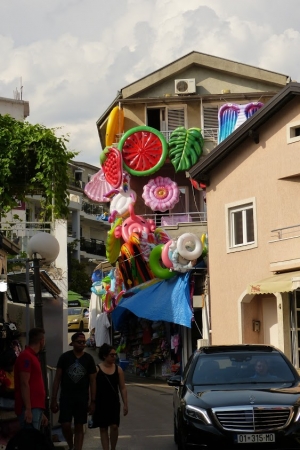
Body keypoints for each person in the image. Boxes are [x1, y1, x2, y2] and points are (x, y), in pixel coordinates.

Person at [50, 332, 97, 450]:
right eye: (79, 342)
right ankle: (71, 445)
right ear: (72, 343)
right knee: (65, 425)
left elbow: (93, 381)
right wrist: (54, 398)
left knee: (79, 426)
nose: (82, 344)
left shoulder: (88, 359)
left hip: (82, 398)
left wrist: (93, 401)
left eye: (83, 342)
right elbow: (57, 379)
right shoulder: (65, 357)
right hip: (66, 397)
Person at [92, 343, 128, 450]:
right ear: (104, 356)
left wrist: (125, 404)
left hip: (113, 402)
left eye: (115, 355)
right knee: (103, 428)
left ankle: (113, 448)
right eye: (111, 355)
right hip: (101, 402)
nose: (114, 357)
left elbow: (122, 388)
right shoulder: (97, 370)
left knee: (114, 426)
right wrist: (91, 402)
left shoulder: (118, 370)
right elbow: (92, 387)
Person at [14, 327, 48, 430]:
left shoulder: (33, 357)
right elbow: (24, 383)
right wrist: (28, 409)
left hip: (35, 407)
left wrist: (41, 412)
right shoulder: (26, 357)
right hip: (30, 408)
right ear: (42, 341)